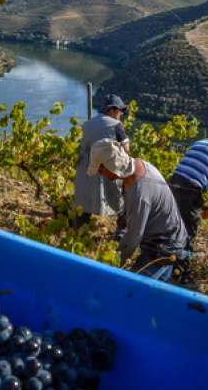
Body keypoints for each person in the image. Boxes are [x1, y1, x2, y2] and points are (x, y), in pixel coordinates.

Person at [87, 139, 196, 289]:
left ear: (112, 165)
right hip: (168, 238)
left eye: (100, 168)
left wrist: (115, 265)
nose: (100, 173)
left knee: (132, 289)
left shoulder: (139, 193)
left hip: (164, 247)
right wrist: (118, 235)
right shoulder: (138, 166)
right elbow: (127, 217)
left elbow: (133, 238)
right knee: (158, 294)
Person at [73, 94, 130, 228]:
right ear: (111, 110)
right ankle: (121, 233)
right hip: (106, 168)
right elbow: (126, 150)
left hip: (85, 168)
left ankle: (79, 232)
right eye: (120, 110)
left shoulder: (88, 123)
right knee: (121, 200)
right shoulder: (116, 125)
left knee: (84, 200)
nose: (121, 113)